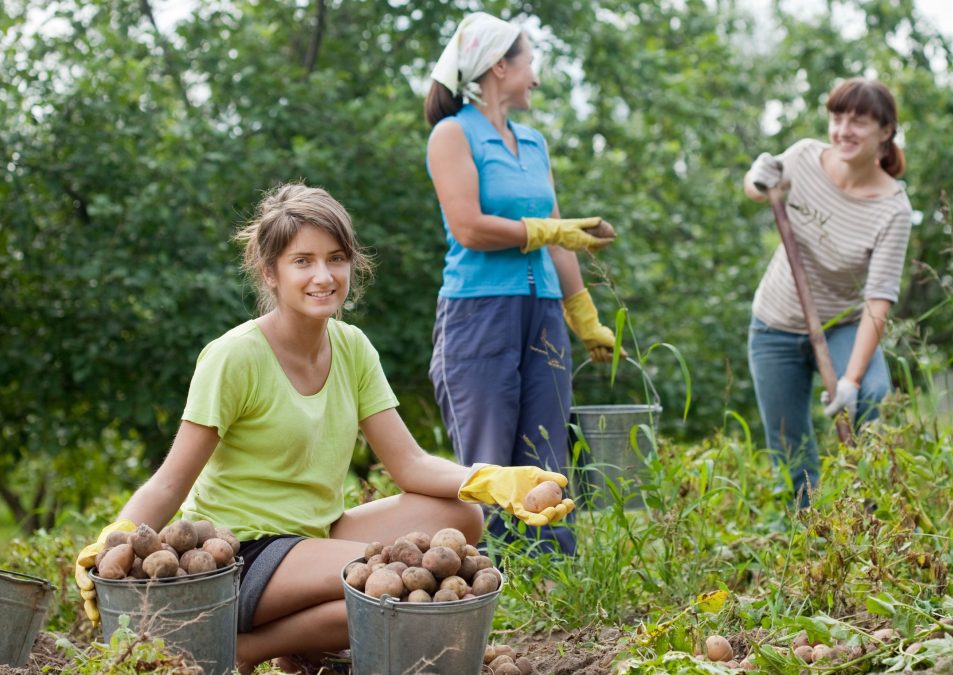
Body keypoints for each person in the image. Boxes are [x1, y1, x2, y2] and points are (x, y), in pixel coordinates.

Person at [73, 184, 575, 674]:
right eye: (303, 261)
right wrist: (114, 537)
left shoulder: (353, 347)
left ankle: (289, 641)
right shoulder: (234, 357)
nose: (324, 275)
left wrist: (495, 481)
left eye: (336, 258)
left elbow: (410, 465)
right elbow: (169, 481)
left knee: (460, 519)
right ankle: (246, 645)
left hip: (318, 532)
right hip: (244, 553)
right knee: (388, 582)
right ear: (269, 273)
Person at [424, 13, 619, 555]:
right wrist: (543, 229)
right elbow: (468, 227)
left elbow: (560, 241)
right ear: (499, 66)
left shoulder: (532, 144)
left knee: (546, 449)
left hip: (544, 312)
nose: (535, 75)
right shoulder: (453, 134)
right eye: (529, 62)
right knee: (489, 455)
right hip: (479, 313)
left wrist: (584, 316)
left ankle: (553, 577)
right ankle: (492, 579)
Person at [743, 78, 912, 507]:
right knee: (789, 445)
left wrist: (852, 382)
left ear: (886, 130)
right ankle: (809, 539)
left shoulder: (893, 209)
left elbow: (878, 301)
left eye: (859, 121)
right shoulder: (803, 158)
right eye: (838, 118)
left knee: (873, 396)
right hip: (775, 325)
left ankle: (871, 521)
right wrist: (756, 177)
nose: (844, 130)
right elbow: (758, 188)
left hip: (843, 325)